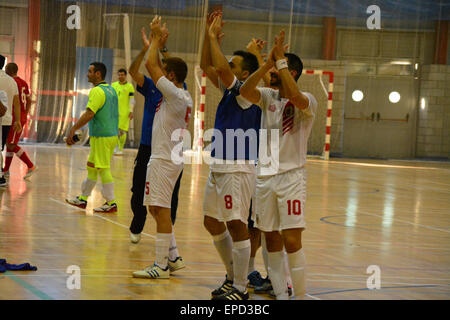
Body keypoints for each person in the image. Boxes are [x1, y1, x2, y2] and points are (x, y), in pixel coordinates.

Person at [240, 29, 318, 300]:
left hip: (291, 178)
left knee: (292, 240)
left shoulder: (309, 99)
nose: (271, 74)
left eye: (276, 70)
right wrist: (265, 64)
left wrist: (280, 61)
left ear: (290, 71)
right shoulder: (267, 96)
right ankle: (282, 295)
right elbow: (244, 90)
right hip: (265, 178)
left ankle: (300, 295)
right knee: (270, 239)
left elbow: (296, 98)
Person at [200, 11, 261, 301]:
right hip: (219, 165)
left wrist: (214, 38)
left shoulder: (247, 92)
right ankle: (230, 276)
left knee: (237, 225)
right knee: (212, 221)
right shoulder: (229, 91)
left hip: (238, 167)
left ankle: (240, 287)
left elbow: (222, 69)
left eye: (235, 64)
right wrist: (206, 34)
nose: (227, 66)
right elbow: (206, 64)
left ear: (245, 73)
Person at [132, 16, 192, 280]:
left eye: (164, 71)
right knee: (156, 208)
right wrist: (156, 43)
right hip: (164, 157)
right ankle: (174, 257)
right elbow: (152, 65)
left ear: (171, 77)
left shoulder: (176, 94)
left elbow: (150, 64)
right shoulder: (178, 95)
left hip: (165, 159)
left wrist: (155, 39)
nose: (160, 73)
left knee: (161, 209)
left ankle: (161, 266)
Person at [127, 26, 183, 244]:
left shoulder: (179, 89)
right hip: (148, 146)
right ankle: (137, 222)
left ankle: (168, 235)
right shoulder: (150, 85)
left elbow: (175, 68)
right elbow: (134, 71)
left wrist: (161, 47)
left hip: (171, 150)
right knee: (138, 189)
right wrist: (147, 49)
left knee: (172, 194)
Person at [65, 62, 120, 213]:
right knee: (92, 166)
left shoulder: (97, 91)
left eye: (90, 71)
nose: (87, 74)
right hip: (109, 134)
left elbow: (90, 113)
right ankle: (83, 199)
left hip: (103, 136)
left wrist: (74, 128)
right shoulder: (112, 90)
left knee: (103, 168)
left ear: (98, 74)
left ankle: (111, 202)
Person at [3, 63, 36, 179]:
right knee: (9, 144)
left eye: (5, 69)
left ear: (9, 70)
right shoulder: (24, 82)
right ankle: (6, 170)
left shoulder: (12, 82)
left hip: (15, 117)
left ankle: (30, 165)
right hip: (19, 116)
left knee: (11, 145)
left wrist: (19, 116)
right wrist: (25, 113)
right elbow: (29, 100)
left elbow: (16, 101)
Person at [0, 55, 21, 187]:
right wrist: (18, 120)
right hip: (7, 120)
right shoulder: (11, 81)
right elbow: (17, 102)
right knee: (1, 148)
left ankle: (1, 176)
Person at [112, 68, 135, 155]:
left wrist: (131, 110)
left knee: (122, 131)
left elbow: (132, 100)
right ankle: (116, 147)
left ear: (125, 76)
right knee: (114, 130)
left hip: (125, 112)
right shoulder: (113, 85)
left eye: (122, 75)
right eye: (119, 74)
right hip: (114, 112)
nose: (120, 76)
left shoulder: (129, 86)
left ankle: (120, 148)